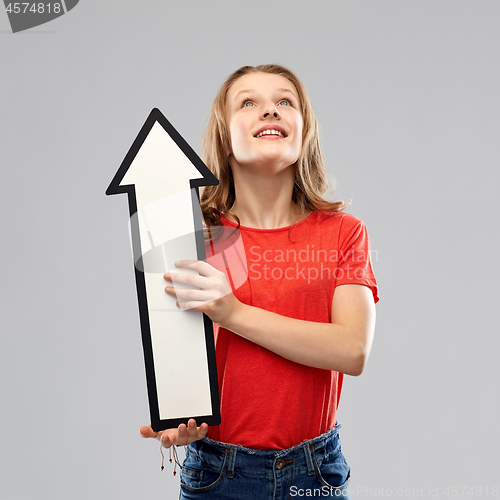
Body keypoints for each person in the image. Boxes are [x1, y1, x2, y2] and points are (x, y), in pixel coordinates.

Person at [140, 64, 379, 499]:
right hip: (216, 473)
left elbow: (352, 350)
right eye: (248, 102)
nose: (269, 110)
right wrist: (182, 419)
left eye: (284, 101)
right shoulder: (190, 236)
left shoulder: (344, 233)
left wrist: (232, 312)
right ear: (224, 136)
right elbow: (179, 356)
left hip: (316, 474)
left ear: (304, 132)